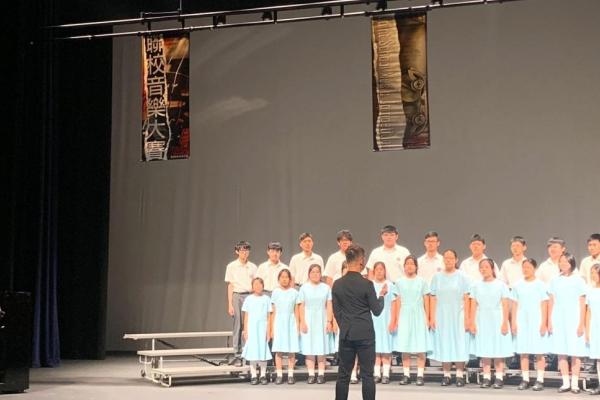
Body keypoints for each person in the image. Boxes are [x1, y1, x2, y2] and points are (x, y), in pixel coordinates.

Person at [332, 244, 387, 400]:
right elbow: (377, 310)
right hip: (365, 334)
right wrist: (382, 296)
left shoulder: (337, 284)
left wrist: (345, 326)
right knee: (368, 375)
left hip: (346, 334)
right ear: (361, 261)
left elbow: (337, 311)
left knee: (343, 375)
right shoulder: (367, 284)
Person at [469, 258, 513, 389]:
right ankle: (486, 377)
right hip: (482, 319)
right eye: (481, 267)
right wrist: (472, 322)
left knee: (498, 349)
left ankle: (499, 377)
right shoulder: (476, 285)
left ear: (492, 269)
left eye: (486, 267)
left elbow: (505, 305)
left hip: (497, 318)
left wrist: (505, 322)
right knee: (485, 349)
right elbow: (473, 305)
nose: (483, 269)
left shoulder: (501, 285)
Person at [429, 249, 470, 387]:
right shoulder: (437, 277)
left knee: (459, 342)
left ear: (456, 260)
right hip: (441, 315)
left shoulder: (462, 276)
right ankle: (446, 374)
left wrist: (467, 318)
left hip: (458, 314)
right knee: (444, 342)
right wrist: (432, 317)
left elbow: (467, 298)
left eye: (451, 258)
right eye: (446, 258)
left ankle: (459, 374)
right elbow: (433, 297)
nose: (448, 260)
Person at [548, 252, 587, 393]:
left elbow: (582, 303)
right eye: (561, 261)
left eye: (566, 261)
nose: (563, 263)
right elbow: (551, 301)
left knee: (575, 352)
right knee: (561, 352)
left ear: (571, 263)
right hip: (559, 318)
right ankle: (565, 383)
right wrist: (549, 321)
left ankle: (575, 384)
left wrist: (581, 323)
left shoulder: (579, 280)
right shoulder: (554, 280)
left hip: (574, 318)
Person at [511, 258, 549, 391]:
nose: (526, 269)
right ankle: (525, 379)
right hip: (522, 320)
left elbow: (544, 304)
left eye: (528, 267)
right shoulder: (517, 285)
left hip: (537, 320)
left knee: (539, 352)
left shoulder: (541, 285)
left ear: (534, 268)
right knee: (524, 351)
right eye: (524, 267)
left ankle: (540, 379)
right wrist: (513, 322)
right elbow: (514, 304)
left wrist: (544, 322)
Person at [394, 255, 430, 386]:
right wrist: (396, 319)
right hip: (404, 314)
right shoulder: (399, 282)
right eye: (407, 263)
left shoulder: (422, 281)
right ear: (404, 267)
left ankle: (420, 375)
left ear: (416, 266)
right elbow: (397, 301)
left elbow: (426, 299)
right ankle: (406, 374)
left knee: (421, 345)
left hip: (419, 314)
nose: (409, 266)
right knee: (405, 346)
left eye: (412, 263)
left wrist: (428, 317)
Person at [298, 264, 334, 384]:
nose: (315, 274)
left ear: (321, 274)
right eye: (313, 272)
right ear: (309, 274)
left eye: (317, 272)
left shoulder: (326, 288)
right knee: (309, 348)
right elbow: (301, 306)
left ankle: (321, 374)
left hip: (322, 319)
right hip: (308, 319)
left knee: (321, 348)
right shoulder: (304, 288)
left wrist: (329, 321)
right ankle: (311, 374)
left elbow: (329, 305)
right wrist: (302, 321)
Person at [224, 241, 258, 362]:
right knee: (238, 325)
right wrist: (230, 304)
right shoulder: (231, 266)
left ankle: (249, 353)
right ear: (237, 251)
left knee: (249, 325)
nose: (244, 253)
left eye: (246, 250)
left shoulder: (253, 267)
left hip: (249, 295)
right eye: (242, 250)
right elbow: (230, 285)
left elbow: (256, 284)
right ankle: (237, 354)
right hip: (237, 295)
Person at [270, 269, 300, 384]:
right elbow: (273, 311)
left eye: (286, 277)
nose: (284, 279)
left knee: (292, 350)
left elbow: (296, 311)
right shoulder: (275, 292)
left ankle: (291, 375)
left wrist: (297, 325)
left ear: (290, 279)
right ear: (279, 279)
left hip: (291, 322)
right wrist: (272, 328)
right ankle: (279, 375)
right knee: (279, 350)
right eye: (282, 277)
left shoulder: (294, 293)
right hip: (278, 322)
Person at [371, 261, 398, 384]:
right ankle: (376, 373)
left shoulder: (390, 285)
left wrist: (393, 320)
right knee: (375, 347)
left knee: (386, 347)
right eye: (377, 269)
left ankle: (386, 373)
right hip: (373, 319)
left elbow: (394, 304)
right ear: (373, 271)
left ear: (385, 271)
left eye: (381, 269)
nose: (379, 271)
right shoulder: (370, 285)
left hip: (386, 318)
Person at [242, 277, 273, 385]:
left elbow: (269, 316)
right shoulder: (248, 299)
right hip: (252, 328)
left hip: (263, 328)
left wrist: (268, 331)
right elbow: (246, 316)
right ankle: (254, 375)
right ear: (252, 286)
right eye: (255, 284)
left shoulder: (267, 299)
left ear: (263, 286)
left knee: (263, 351)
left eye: (260, 284)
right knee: (253, 352)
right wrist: (245, 330)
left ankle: (263, 375)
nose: (258, 286)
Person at [585, 264, 600, 395]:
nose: (592, 275)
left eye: (594, 273)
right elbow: (588, 311)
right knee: (598, 357)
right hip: (595, 326)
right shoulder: (591, 291)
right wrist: (588, 330)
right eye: (591, 273)